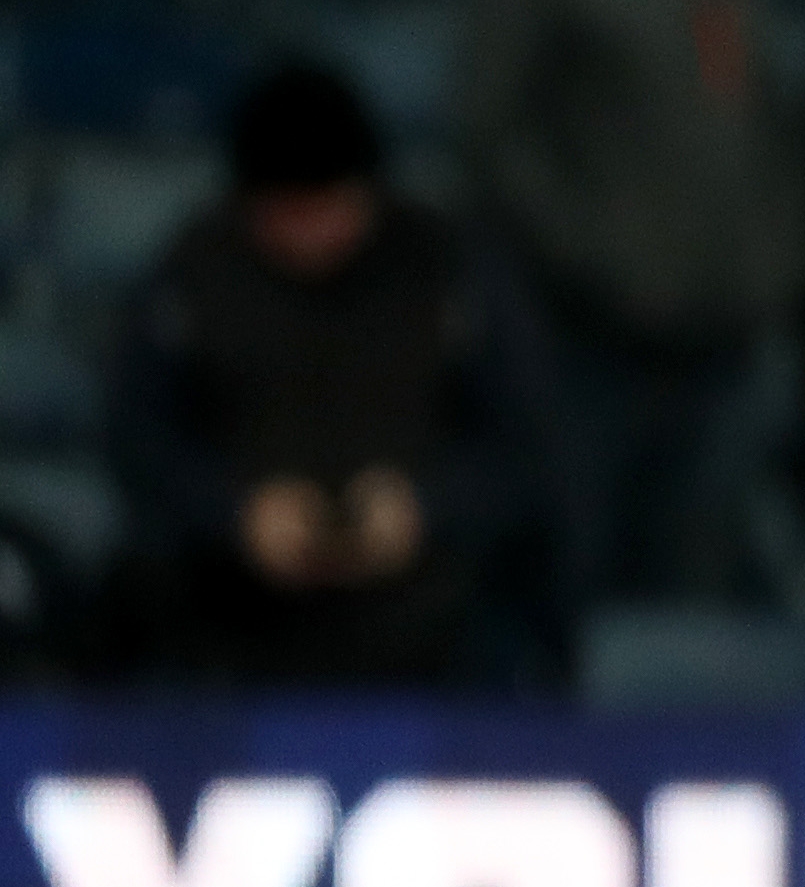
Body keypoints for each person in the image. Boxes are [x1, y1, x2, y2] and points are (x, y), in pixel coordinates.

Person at [457, 0, 805, 605]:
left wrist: (776, 264)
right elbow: (492, 135)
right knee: (574, 581)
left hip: (719, 347)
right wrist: (597, 260)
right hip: (579, 351)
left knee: (694, 588)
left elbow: (769, 130)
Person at [104, 61, 558, 684]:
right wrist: (236, 514)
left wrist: (426, 507)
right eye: (287, 213)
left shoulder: (445, 266)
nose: (310, 234)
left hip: (430, 625)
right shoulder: (194, 272)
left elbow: (523, 439)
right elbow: (138, 438)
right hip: (233, 624)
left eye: (328, 208)